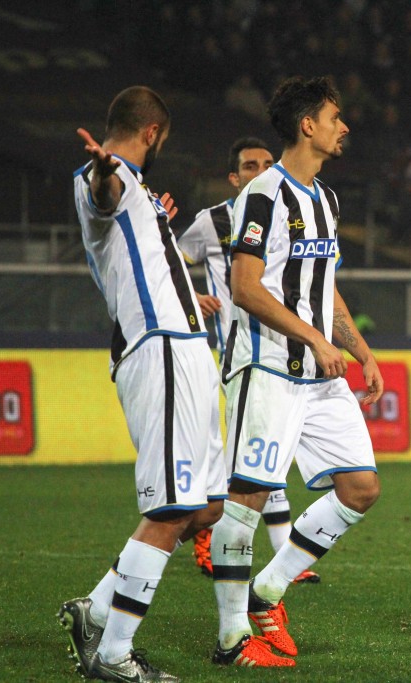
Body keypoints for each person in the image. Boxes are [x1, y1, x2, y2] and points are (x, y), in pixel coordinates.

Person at [210, 75, 383, 668]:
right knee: (248, 500)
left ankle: (268, 590)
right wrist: (313, 338)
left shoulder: (326, 200)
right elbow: (244, 288)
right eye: (336, 117)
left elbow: (326, 289)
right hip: (268, 370)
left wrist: (359, 349)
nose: (344, 127)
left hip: (322, 375)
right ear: (308, 125)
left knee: (360, 489)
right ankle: (232, 639)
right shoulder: (261, 195)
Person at [59, 86, 225, 682]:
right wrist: (106, 174)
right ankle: (112, 655)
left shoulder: (143, 194)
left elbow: (142, 251)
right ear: (152, 132)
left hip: (184, 342)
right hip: (161, 348)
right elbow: (105, 197)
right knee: (171, 506)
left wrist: (190, 294)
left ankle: (97, 608)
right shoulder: (103, 177)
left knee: (204, 507)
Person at [176, 138, 319, 586]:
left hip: (284, 351)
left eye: (266, 163)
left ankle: (260, 548)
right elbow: (173, 262)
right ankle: (202, 531)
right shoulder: (211, 221)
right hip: (236, 351)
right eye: (248, 166)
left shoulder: (289, 213)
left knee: (262, 457)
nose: (259, 170)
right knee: (250, 460)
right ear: (234, 178)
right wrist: (192, 295)